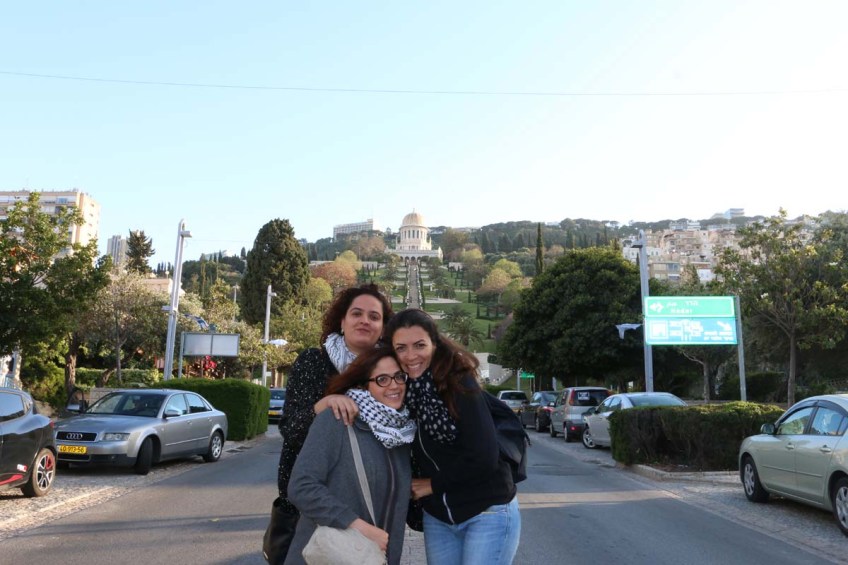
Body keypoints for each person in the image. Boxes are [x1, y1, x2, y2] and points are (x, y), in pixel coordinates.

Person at [267, 283, 394, 564]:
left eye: (374, 316)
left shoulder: (389, 374)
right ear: (342, 320)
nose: (364, 320)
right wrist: (321, 406)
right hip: (310, 505)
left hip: (366, 509)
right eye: (356, 313)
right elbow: (289, 429)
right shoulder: (314, 361)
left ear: (383, 327)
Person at [385, 308, 520, 565]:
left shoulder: (459, 382)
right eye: (401, 348)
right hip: (440, 517)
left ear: (435, 344)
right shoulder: (402, 390)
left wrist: (433, 484)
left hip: (486, 509)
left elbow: (484, 457)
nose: (411, 356)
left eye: (419, 345)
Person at [284, 347, 415, 565]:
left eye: (399, 376)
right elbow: (301, 486)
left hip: (374, 558)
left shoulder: (402, 436)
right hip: (329, 556)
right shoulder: (337, 420)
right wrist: (358, 526)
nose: (394, 385)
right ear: (362, 385)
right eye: (382, 379)